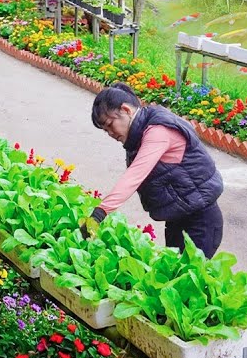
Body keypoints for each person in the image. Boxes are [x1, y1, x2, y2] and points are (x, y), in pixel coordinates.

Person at [84, 82, 224, 257]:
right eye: (106, 131)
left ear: (126, 110)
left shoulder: (158, 131)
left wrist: (98, 215)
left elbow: (134, 176)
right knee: (172, 270)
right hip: (177, 219)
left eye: (110, 124)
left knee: (188, 272)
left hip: (201, 223)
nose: (111, 134)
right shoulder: (138, 132)